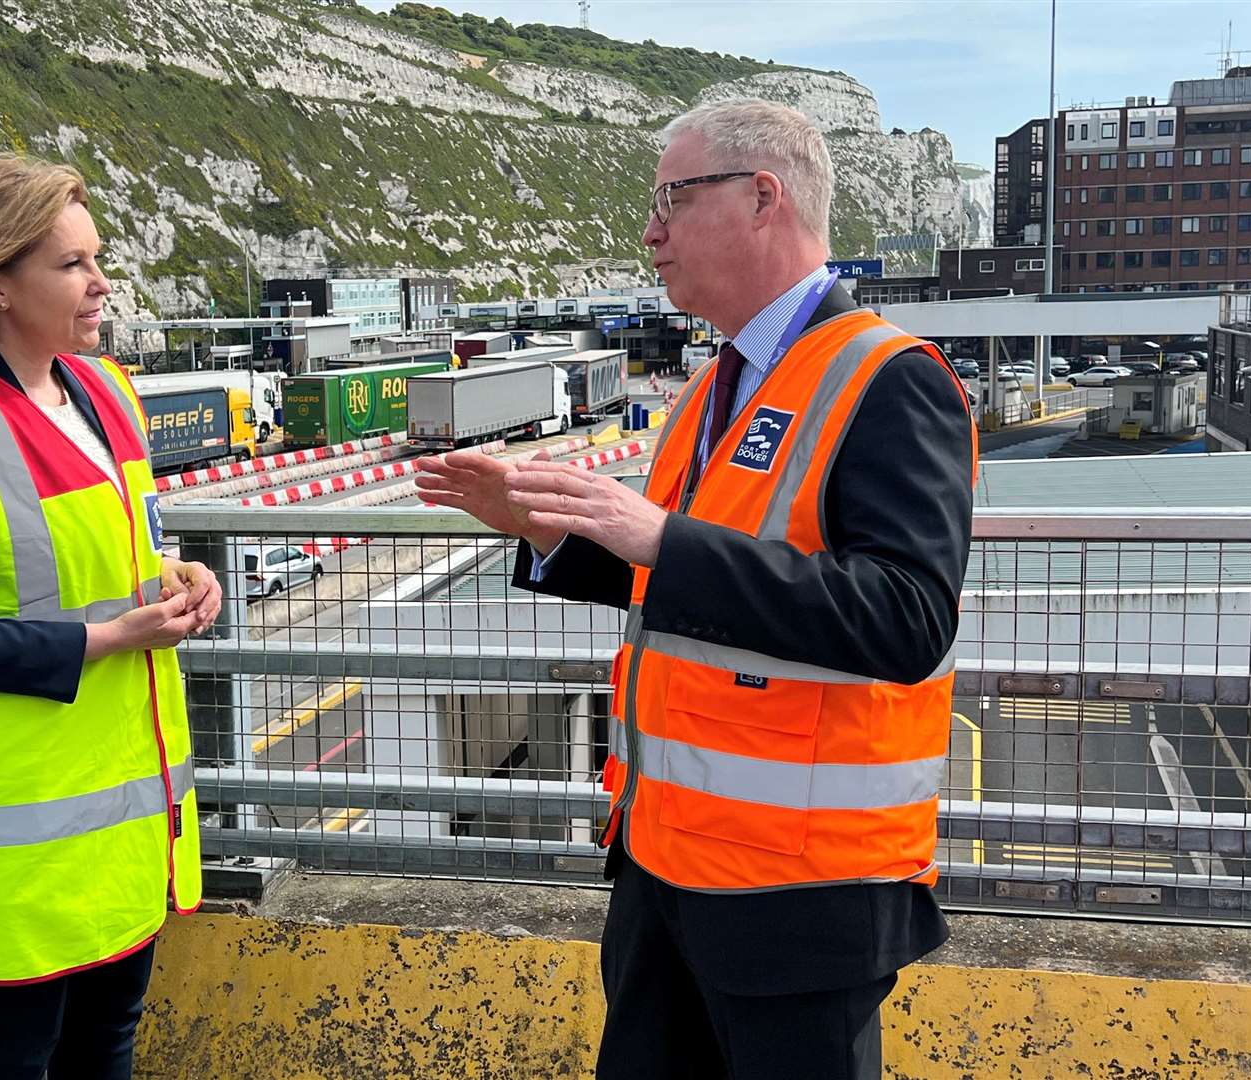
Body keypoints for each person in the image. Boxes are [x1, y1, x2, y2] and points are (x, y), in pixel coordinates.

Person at [416, 99, 977, 1078]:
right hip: (665, 867)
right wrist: (548, 532)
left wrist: (662, 542)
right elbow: (676, 585)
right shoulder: (717, 387)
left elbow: (905, 616)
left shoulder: (887, 378)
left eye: (672, 197)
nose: (649, 230)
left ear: (763, 198)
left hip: (797, 895)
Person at [0, 153, 222, 1080]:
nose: (101, 283)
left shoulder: (103, 393)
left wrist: (178, 576)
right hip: (22, 852)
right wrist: (109, 641)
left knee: (107, 1044)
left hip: (122, 831)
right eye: (71, 265)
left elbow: (114, 558)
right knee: (12, 1061)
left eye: (95, 258)